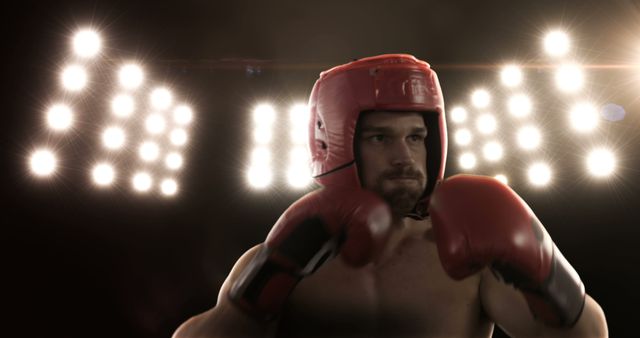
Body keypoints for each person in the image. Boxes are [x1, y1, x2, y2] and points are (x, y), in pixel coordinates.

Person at [173, 54, 608, 337]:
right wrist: (272, 272)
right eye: (380, 138)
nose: (405, 156)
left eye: (417, 137)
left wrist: (543, 264)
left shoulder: (467, 260)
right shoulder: (289, 254)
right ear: (335, 145)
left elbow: (589, 335)